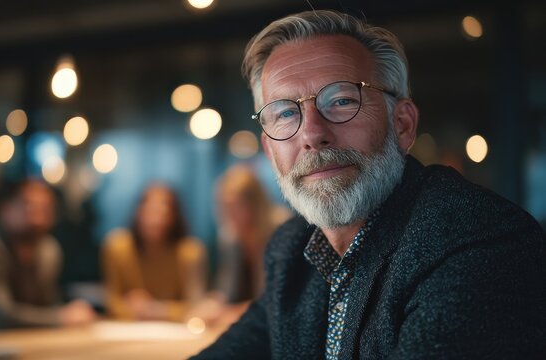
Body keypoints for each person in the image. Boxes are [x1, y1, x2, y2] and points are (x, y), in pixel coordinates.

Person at [192, 9, 546, 359]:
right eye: (285, 113)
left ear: (402, 124)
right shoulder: (293, 250)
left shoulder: (477, 242)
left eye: (342, 101)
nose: (312, 135)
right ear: (269, 150)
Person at [0, 179, 96, 334]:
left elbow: (48, 305)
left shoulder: (48, 251)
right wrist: (61, 317)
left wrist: (71, 313)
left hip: (23, 344)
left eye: (45, 207)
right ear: (5, 210)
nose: (37, 215)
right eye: (28, 205)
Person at [191, 164, 290, 326]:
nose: (229, 214)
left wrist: (233, 312)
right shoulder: (230, 238)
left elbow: (279, 301)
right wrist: (213, 305)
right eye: (224, 206)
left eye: (235, 206)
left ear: (255, 204)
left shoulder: (283, 232)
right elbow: (227, 291)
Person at [102, 183, 207, 321]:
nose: (155, 219)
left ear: (174, 216)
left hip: (176, 334)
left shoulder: (190, 252)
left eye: (162, 212)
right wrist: (132, 307)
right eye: (150, 210)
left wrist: (157, 309)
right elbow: (111, 303)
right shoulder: (117, 247)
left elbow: (197, 306)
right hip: (129, 330)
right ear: (138, 212)